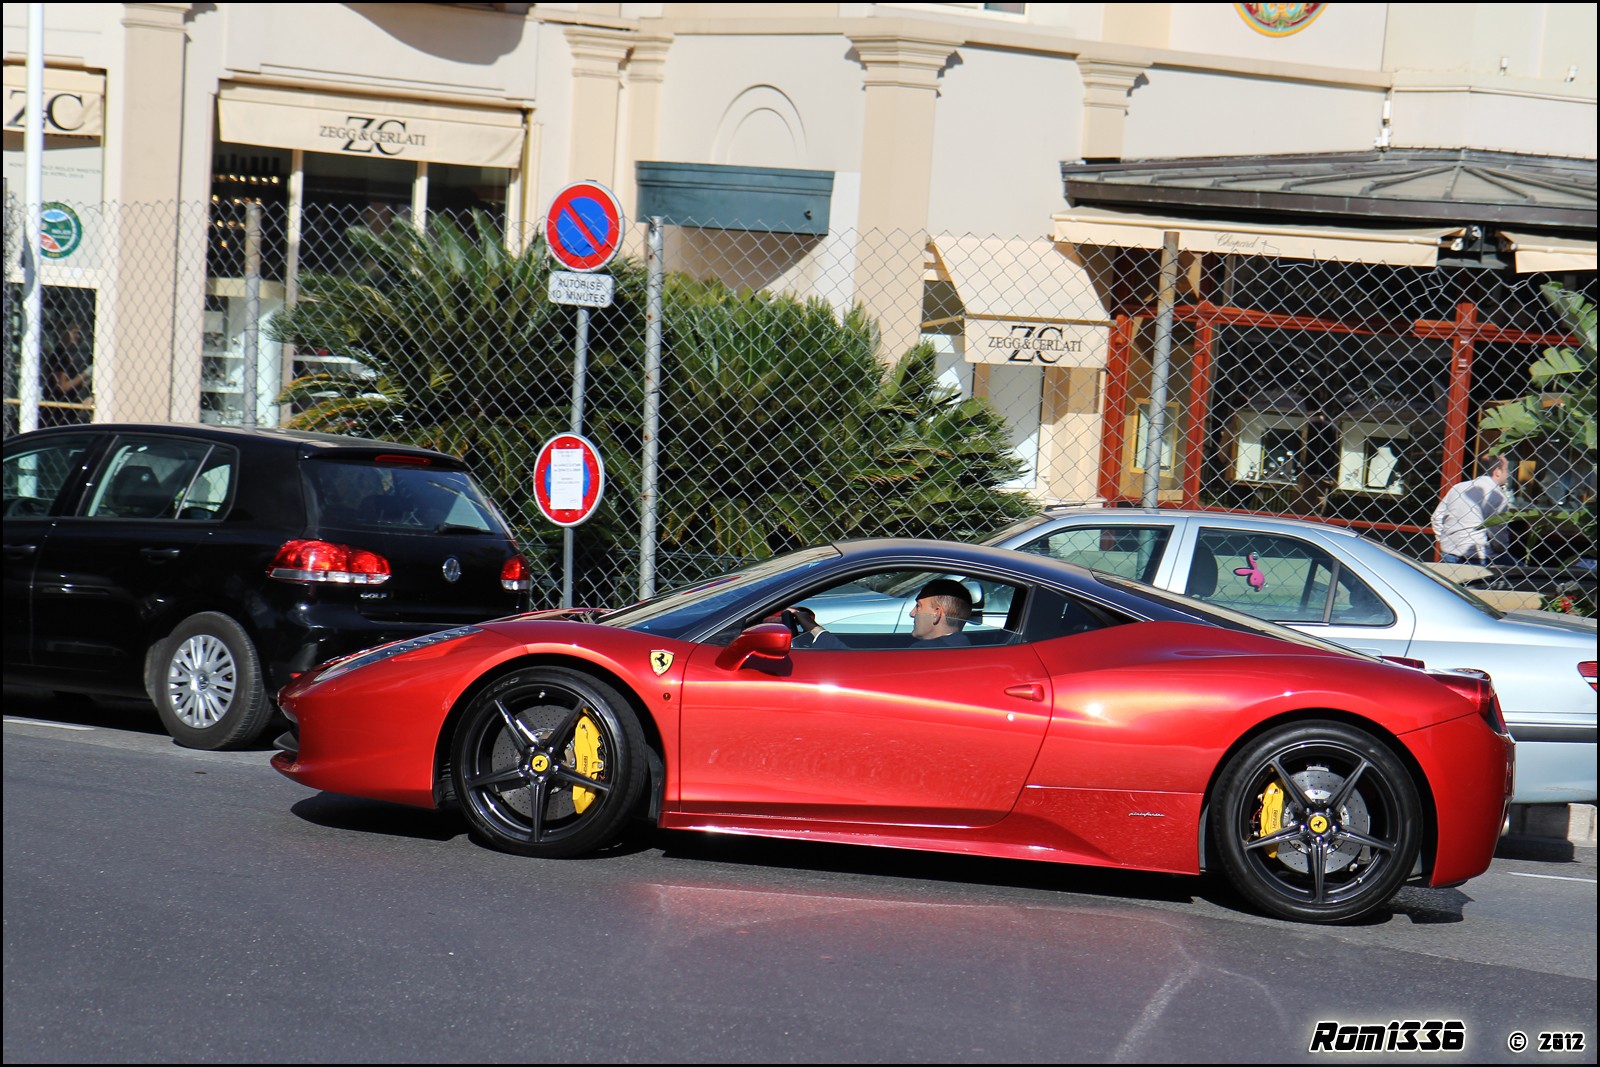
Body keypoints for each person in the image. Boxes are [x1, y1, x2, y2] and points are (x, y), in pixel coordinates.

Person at [1431, 453, 1514, 565]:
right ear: (1497, 471)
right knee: (1523, 571)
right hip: (1480, 556)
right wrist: (1502, 548)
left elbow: (1437, 517)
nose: (1508, 474)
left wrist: (1444, 539)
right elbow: (1498, 537)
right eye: (1506, 470)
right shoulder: (1498, 497)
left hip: (1449, 552)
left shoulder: (1458, 487)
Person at [42, 320, 93, 426]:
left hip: (66, 414)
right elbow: (63, 386)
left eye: (80, 333)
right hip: (56, 414)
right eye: (75, 333)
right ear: (64, 332)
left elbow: (74, 385)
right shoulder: (58, 355)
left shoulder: (68, 355)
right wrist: (87, 373)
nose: (78, 337)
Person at [906, 578, 974, 647]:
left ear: (936, 614)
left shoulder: (920, 651)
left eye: (918, 606)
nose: (912, 614)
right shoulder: (966, 646)